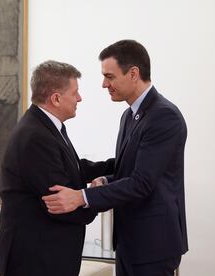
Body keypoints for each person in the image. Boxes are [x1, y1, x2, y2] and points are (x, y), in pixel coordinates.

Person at [42, 40, 188, 276]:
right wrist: (107, 180)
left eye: (109, 77)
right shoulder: (129, 116)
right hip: (130, 240)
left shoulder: (164, 116)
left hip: (153, 243)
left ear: (133, 74)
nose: (104, 84)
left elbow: (142, 182)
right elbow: (130, 170)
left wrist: (82, 197)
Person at [0, 60, 113, 276]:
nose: (79, 98)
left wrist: (118, 164)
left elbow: (73, 169)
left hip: (45, 255)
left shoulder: (46, 126)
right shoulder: (35, 137)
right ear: (56, 98)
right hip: (35, 260)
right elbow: (62, 205)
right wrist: (95, 195)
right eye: (75, 92)